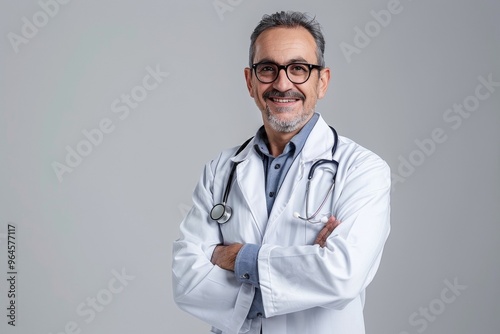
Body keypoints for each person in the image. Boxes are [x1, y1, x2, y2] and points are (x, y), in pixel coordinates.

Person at [172, 11, 391, 334]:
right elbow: (186, 281)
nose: (282, 83)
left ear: (322, 81)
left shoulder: (362, 170)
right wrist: (305, 268)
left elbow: (343, 275)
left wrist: (239, 259)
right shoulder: (221, 170)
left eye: (299, 69)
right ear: (250, 81)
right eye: (268, 69)